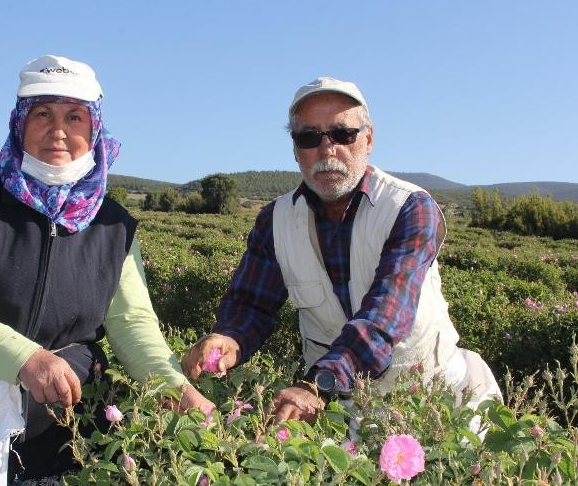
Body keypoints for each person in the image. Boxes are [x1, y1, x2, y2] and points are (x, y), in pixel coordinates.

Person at [0, 55, 214, 480]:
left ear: (95, 129)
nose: (58, 131)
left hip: (66, 428)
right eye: (43, 114)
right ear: (20, 122)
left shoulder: (114, 224)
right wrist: (26, 358)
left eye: (75, 117)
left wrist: (173, 386)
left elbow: (131, 323)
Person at [182, 76, 500, 424]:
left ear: (369, 138)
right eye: (309, 137)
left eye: (343, 133)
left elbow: (384, 315)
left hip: (434, 403)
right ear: (295, 148)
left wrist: (316, 385)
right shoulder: (274, 221)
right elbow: (252, 304)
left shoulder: (410, 207)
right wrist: (229, 338)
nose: (327, 148)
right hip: (340, 411)